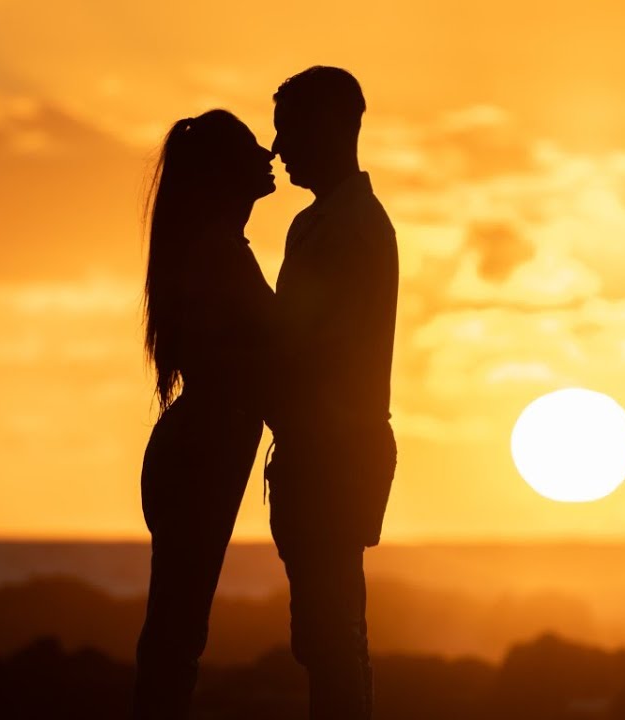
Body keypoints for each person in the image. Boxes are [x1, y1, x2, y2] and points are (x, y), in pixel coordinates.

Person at [264, 66, 400, 719]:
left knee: (332, 633)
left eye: (288, 129)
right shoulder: (322, 223)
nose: (277, 147)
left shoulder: (351, 228)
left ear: (329, 127)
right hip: (326, 450)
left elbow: (314, 348)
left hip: (335, 453)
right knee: (329, 633)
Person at [131, 109, 277, 720]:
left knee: (178, 633)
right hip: (200, 457)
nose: (268, 154)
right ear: (225, 172)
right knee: (177, 635)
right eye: (251, 147)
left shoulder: (215, 248)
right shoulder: (216, 253)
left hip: (198, 451)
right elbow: (262, 361)